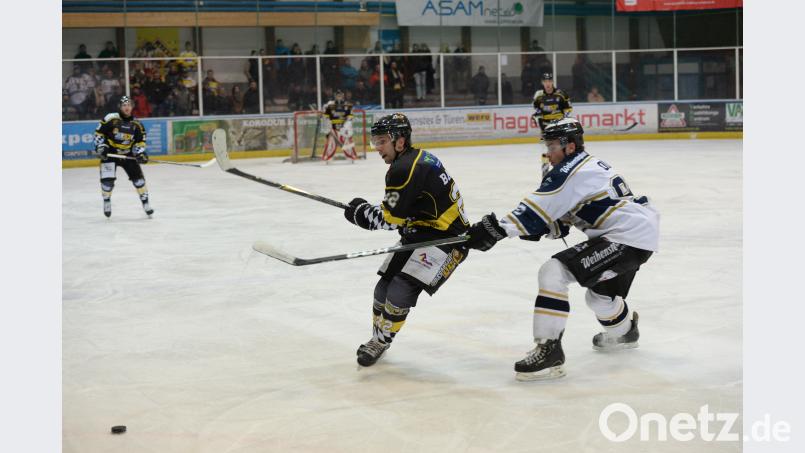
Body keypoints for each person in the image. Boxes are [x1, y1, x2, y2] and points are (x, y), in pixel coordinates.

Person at [465, 118, 659, 381]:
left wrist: (496, 229)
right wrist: (543, 227)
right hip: (636, 234)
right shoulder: (586, 166)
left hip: (626, 238)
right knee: (598, 298)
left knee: (553, 272)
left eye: (553, 145)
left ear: (570, 146)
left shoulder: (571, 169)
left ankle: (549, 350)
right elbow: (563, 219)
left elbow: (535, 209)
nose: (548, 151)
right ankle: (624, 332)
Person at [343, 113, 471, 366]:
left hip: (449, 240)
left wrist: (362, 215)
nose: (377, 148)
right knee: (382, 288)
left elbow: (391, 219)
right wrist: (369, 212)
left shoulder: (404, 169)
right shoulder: (414, 160)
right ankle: (377, 338)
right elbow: (404, 211)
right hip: (421, 230)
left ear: (400, 141)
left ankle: (381, 341)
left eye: (382, 142)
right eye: (375, 142)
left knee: (399, 290)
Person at [94, 96, 154, 218]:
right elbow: (99, 133)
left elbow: (140, 142)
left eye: (129, 105)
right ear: (120, 107)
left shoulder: (137, 124)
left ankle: (146, 203)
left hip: (128, 155)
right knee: (107, 182)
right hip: (110, 154)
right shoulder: (110, 118)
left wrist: (140, 153)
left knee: (139, 181)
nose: (127, 108)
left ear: (132, 107)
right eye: (124, 105)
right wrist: (101, 147)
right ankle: (106, 201)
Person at [532, 72, 573, 178]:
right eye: (545, 81)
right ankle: (545, 174)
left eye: (549, 81)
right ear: (542, 83)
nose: (548, 84)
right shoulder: (538, 95)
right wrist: (540, 125)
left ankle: (563, 171)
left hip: (559, 127)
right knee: (545, 151)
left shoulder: (561, 94)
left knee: (563, 149)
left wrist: (562, 122)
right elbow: (537, 111)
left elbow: (568, 109)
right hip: (545, 128)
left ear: (552, 82)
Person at [321, 90, 358, 161]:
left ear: (342, 96)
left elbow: (350, 117)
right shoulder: (330, 105)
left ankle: (350, 156)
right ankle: (328, 157)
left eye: (340, 95)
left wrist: (347, 126)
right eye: (338, 96)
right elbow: (326, 116)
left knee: (346, 142)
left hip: (343, 128)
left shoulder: (346, 105)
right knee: (332, 143)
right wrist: (328, 124)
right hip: (334, 127)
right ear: (335, 96)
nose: (339, 97)